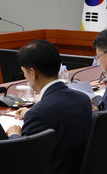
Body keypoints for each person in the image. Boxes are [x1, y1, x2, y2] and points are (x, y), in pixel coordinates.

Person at [6, 40, 92, 174]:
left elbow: (25, 161)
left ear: (33, 73)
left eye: (24, 72)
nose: (25, 77)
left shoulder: (37, 114)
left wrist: (14, 136)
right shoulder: (83, 100)